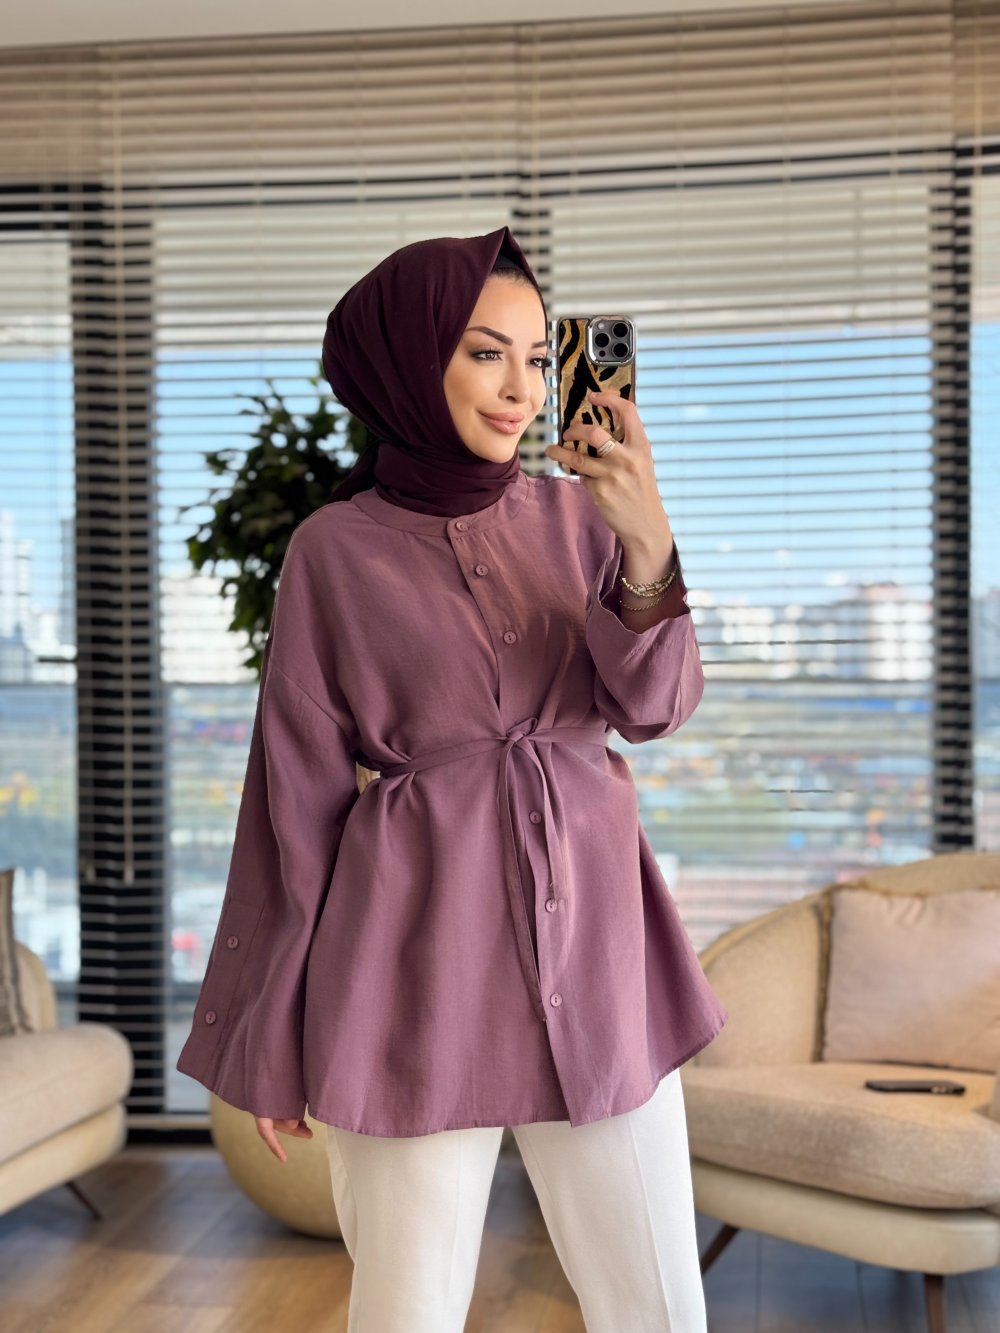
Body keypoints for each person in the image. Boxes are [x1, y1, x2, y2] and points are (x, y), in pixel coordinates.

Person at [176, 225, 729, 1332]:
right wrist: (265, 1035)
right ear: (408, 357)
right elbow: (294, 802)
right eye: (485, 352)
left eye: (538, 357)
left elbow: (654, 707)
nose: (521, 388)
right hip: (409, 973)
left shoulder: (580, 518)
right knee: (407, 1310)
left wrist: (646, 546)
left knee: (660, 1308)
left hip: (597, 957)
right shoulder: (332, 551)